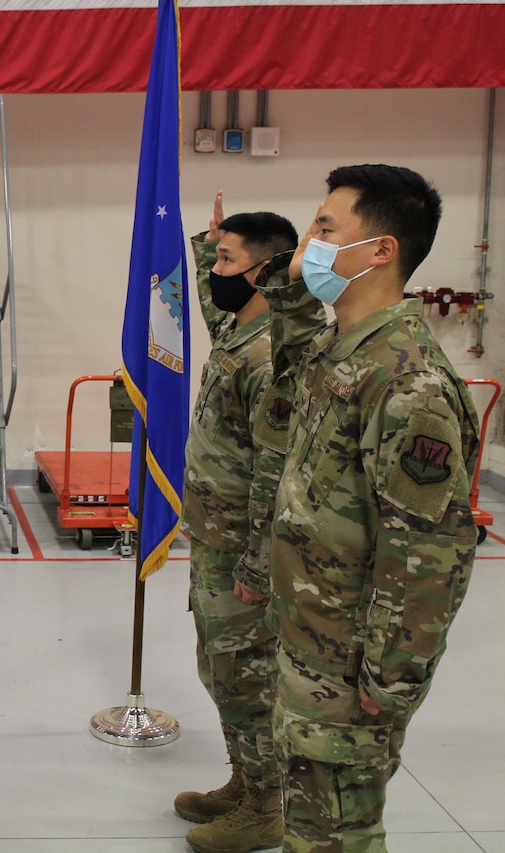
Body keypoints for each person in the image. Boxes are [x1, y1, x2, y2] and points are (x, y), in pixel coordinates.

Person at [255, 164, 481, 852]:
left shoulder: (407, 378)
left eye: (325, 229)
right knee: (311, 827)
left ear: (382, 250)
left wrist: (391, 675)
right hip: (311, 642)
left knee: (338, 834)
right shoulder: (340, 347)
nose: (307, 247)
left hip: (353, 664)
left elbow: (427, 550)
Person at [177, 194, 300, 853]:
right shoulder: (241, 325)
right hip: (216, 538)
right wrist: (208, 242)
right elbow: (210, 294)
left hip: (244, 553)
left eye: (228, 259)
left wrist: (256, 565)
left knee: (248, 676)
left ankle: (266, 807)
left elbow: (277, 472)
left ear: (265, 270)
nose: (217, 270)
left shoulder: (271, 355)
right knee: (220, 669)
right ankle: (243, 780)